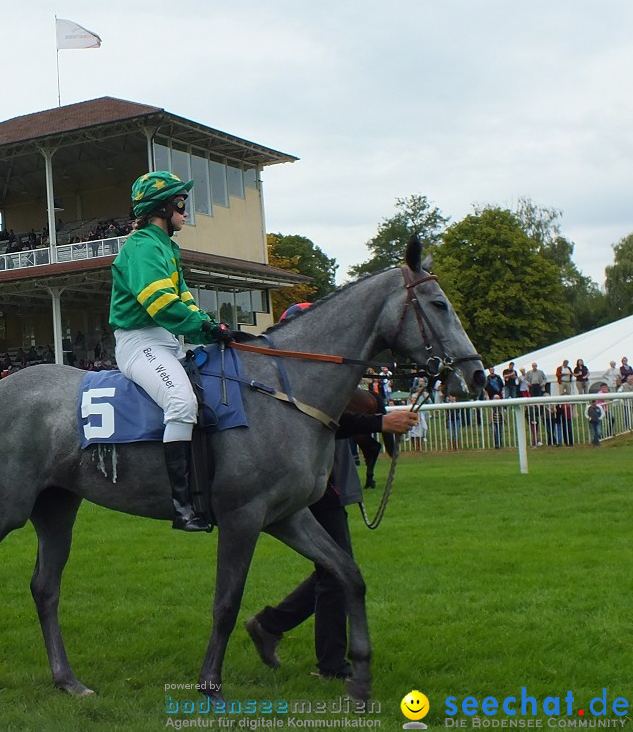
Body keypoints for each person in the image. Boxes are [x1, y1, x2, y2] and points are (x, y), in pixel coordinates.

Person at [243, 407, 419, 679]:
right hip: (310, 477)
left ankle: (271, 625)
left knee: (336, 570)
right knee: (339, 570)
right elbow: (321, 413)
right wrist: (380, 421)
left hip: (318, 473)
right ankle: (329, 664)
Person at [109, 171, 231, 532]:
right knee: (181, 402)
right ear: (163, 206)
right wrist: (203, 327)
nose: (186, 211)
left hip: (164, 342)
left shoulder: (166, 247)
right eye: (181, 203)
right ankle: (182, 507)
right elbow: (161, 304)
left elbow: (184, 300)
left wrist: (213, 327)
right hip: (141, 343)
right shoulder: (144, 246)